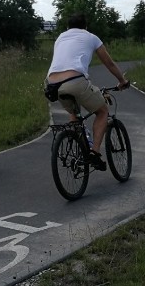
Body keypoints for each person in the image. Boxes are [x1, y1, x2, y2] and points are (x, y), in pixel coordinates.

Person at [45, 12, 129, 171]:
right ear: (86, 26)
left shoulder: (61, 37)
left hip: (52, 84)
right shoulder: (91, 37)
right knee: (103, 111)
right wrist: (122, 81)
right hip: (75, 81)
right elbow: (109, 64)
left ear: (68, 27)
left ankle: (77, 149)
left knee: (75, 114)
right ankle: (94, 153)